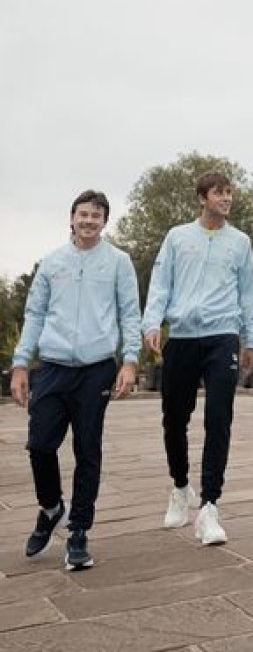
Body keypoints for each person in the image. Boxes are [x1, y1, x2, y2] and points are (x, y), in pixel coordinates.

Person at [11, 190, 141, 571]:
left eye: (96, 215)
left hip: (96, 368)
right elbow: (34, 314)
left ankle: (79, 531)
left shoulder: (119, 262)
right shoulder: (52, 263)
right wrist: (21, 364)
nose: (88, 220)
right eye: (83, 214)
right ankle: (51, 508)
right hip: (52, 367)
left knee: (88, 449)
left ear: (104, 221)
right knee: (39, 445)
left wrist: (129, 361)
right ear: (71, 218)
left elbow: (130, 314)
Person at [143, 170, 253, 545]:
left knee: (219, 419)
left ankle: (210, 506)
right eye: (218, 193)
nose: (226, 199)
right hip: (183, 337)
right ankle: (180, 486)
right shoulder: (178, 238)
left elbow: (249, 295)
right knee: (174, 419)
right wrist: (152, 324)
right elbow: (160, 283)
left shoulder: (240, 243)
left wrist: (251, 340)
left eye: (229, 193)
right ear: (202, 198)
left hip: (222, 337)